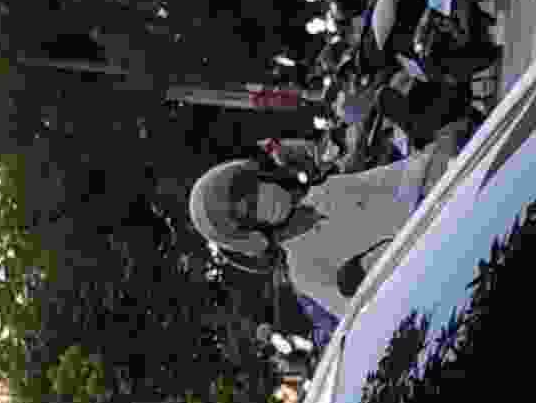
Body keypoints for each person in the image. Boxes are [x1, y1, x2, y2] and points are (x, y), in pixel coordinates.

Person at [186, 136, 459, 325]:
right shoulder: (303, 271)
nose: (262, 196)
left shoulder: (325, 191)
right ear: (250, 234)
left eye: (253, 186)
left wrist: (444, 157)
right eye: (250, 207)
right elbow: (368, 316)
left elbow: (407, 175)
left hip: (452, 223)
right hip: (436, 284)